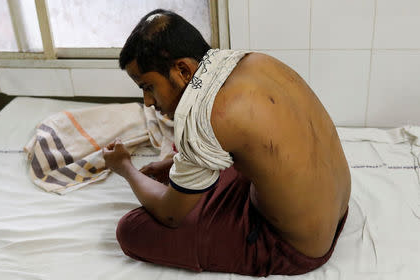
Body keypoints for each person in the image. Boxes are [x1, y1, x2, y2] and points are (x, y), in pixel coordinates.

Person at [102, 9, 351, 277]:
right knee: (203, 158)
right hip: (337, 208)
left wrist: (125, 167)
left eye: (148, 86)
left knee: (131, 229)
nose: (148, 102)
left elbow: (170, 215)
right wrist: (173, 163)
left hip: (294, 247)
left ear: (183, 70)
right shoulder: (252, 60)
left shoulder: (204, 115)